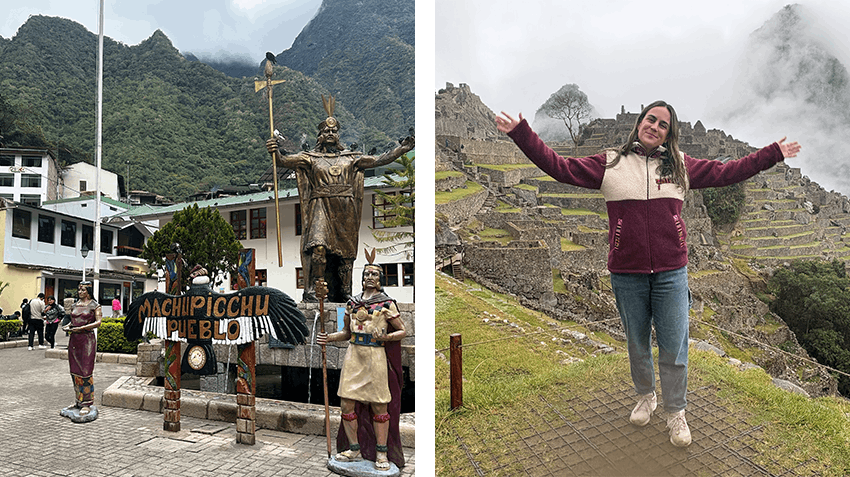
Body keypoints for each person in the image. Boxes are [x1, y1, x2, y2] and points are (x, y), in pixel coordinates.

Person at [495, 102, 801, 447]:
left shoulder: (682, 167)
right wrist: (522, 133)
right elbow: (559, 167)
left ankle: (676, 412)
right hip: (627, 273)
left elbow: (729, 171)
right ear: (639, 123)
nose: (655, 126)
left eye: (663, 124)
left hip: (671, 273)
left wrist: (773, 153)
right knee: (637, 344)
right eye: (650, 119)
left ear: (670, 134)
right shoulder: (609, 163)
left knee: (674, 347)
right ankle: (646, 397)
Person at [266, 95, 414, 303]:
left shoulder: (351, 158)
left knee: (345, 254)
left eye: (333, 131)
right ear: (319, 135)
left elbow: (379, 159)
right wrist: (274, 151)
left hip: (345, 208)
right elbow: (283, 161)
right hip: (320, 206)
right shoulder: (310, 157)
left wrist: (402, 149)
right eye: (326, 131)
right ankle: (317, 289)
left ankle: (344, 290)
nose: (330, 133)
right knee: (318, 247)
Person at [317, 256, 406, 471]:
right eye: (367, 274)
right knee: (347, 403)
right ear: (362, 277)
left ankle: (381, 453)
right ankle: (354, 449)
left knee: (379, 404)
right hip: (354, 355)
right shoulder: (352, 303)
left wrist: (385, 337)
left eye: (374, 274)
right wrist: (328, 338)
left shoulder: (387, 303)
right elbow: (346, 333)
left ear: (380, 278)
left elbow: (403, 330)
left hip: (375, 356)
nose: (370, 277)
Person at [61, 281, 102, 421]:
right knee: (74, 371)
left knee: (85, 372)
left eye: (83, 290)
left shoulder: (94, 305)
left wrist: (83, 328)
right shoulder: (74, 305)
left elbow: (98, 322)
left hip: (87, 340)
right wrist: (67, 326)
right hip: (74, 340)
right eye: (79, 289)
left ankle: (87, 403)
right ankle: (78, 401)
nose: (80, 292)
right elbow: (72, 321)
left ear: (88, 291)